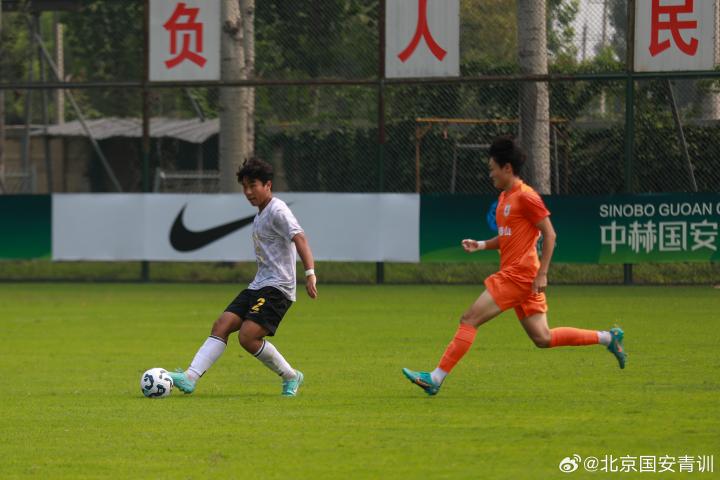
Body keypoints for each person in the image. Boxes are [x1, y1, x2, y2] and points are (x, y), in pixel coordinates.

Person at [402, 136, 626, 396]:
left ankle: (435, 378)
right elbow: (507, 237)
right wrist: (481, 244)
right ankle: (608, 338)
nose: (490, 174)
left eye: (492, 168)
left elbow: (550, 234)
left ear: (507, 168)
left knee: (469, 319)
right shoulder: (504, 198)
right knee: (543, 338)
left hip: (520, 275)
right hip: (522, 277)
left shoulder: (527, 197)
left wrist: (543, 274)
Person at [169, 157, 318, 397]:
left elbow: (299, 237)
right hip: (258, 285)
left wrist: (309, 273)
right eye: (245, 187)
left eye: (253, 186)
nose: (248, 192)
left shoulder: (278, 210)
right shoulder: (260, 215)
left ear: (268, 185)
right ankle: (190, 378)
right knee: (222, 325)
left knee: (248, 337)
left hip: (277, 288)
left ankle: (291, 376)